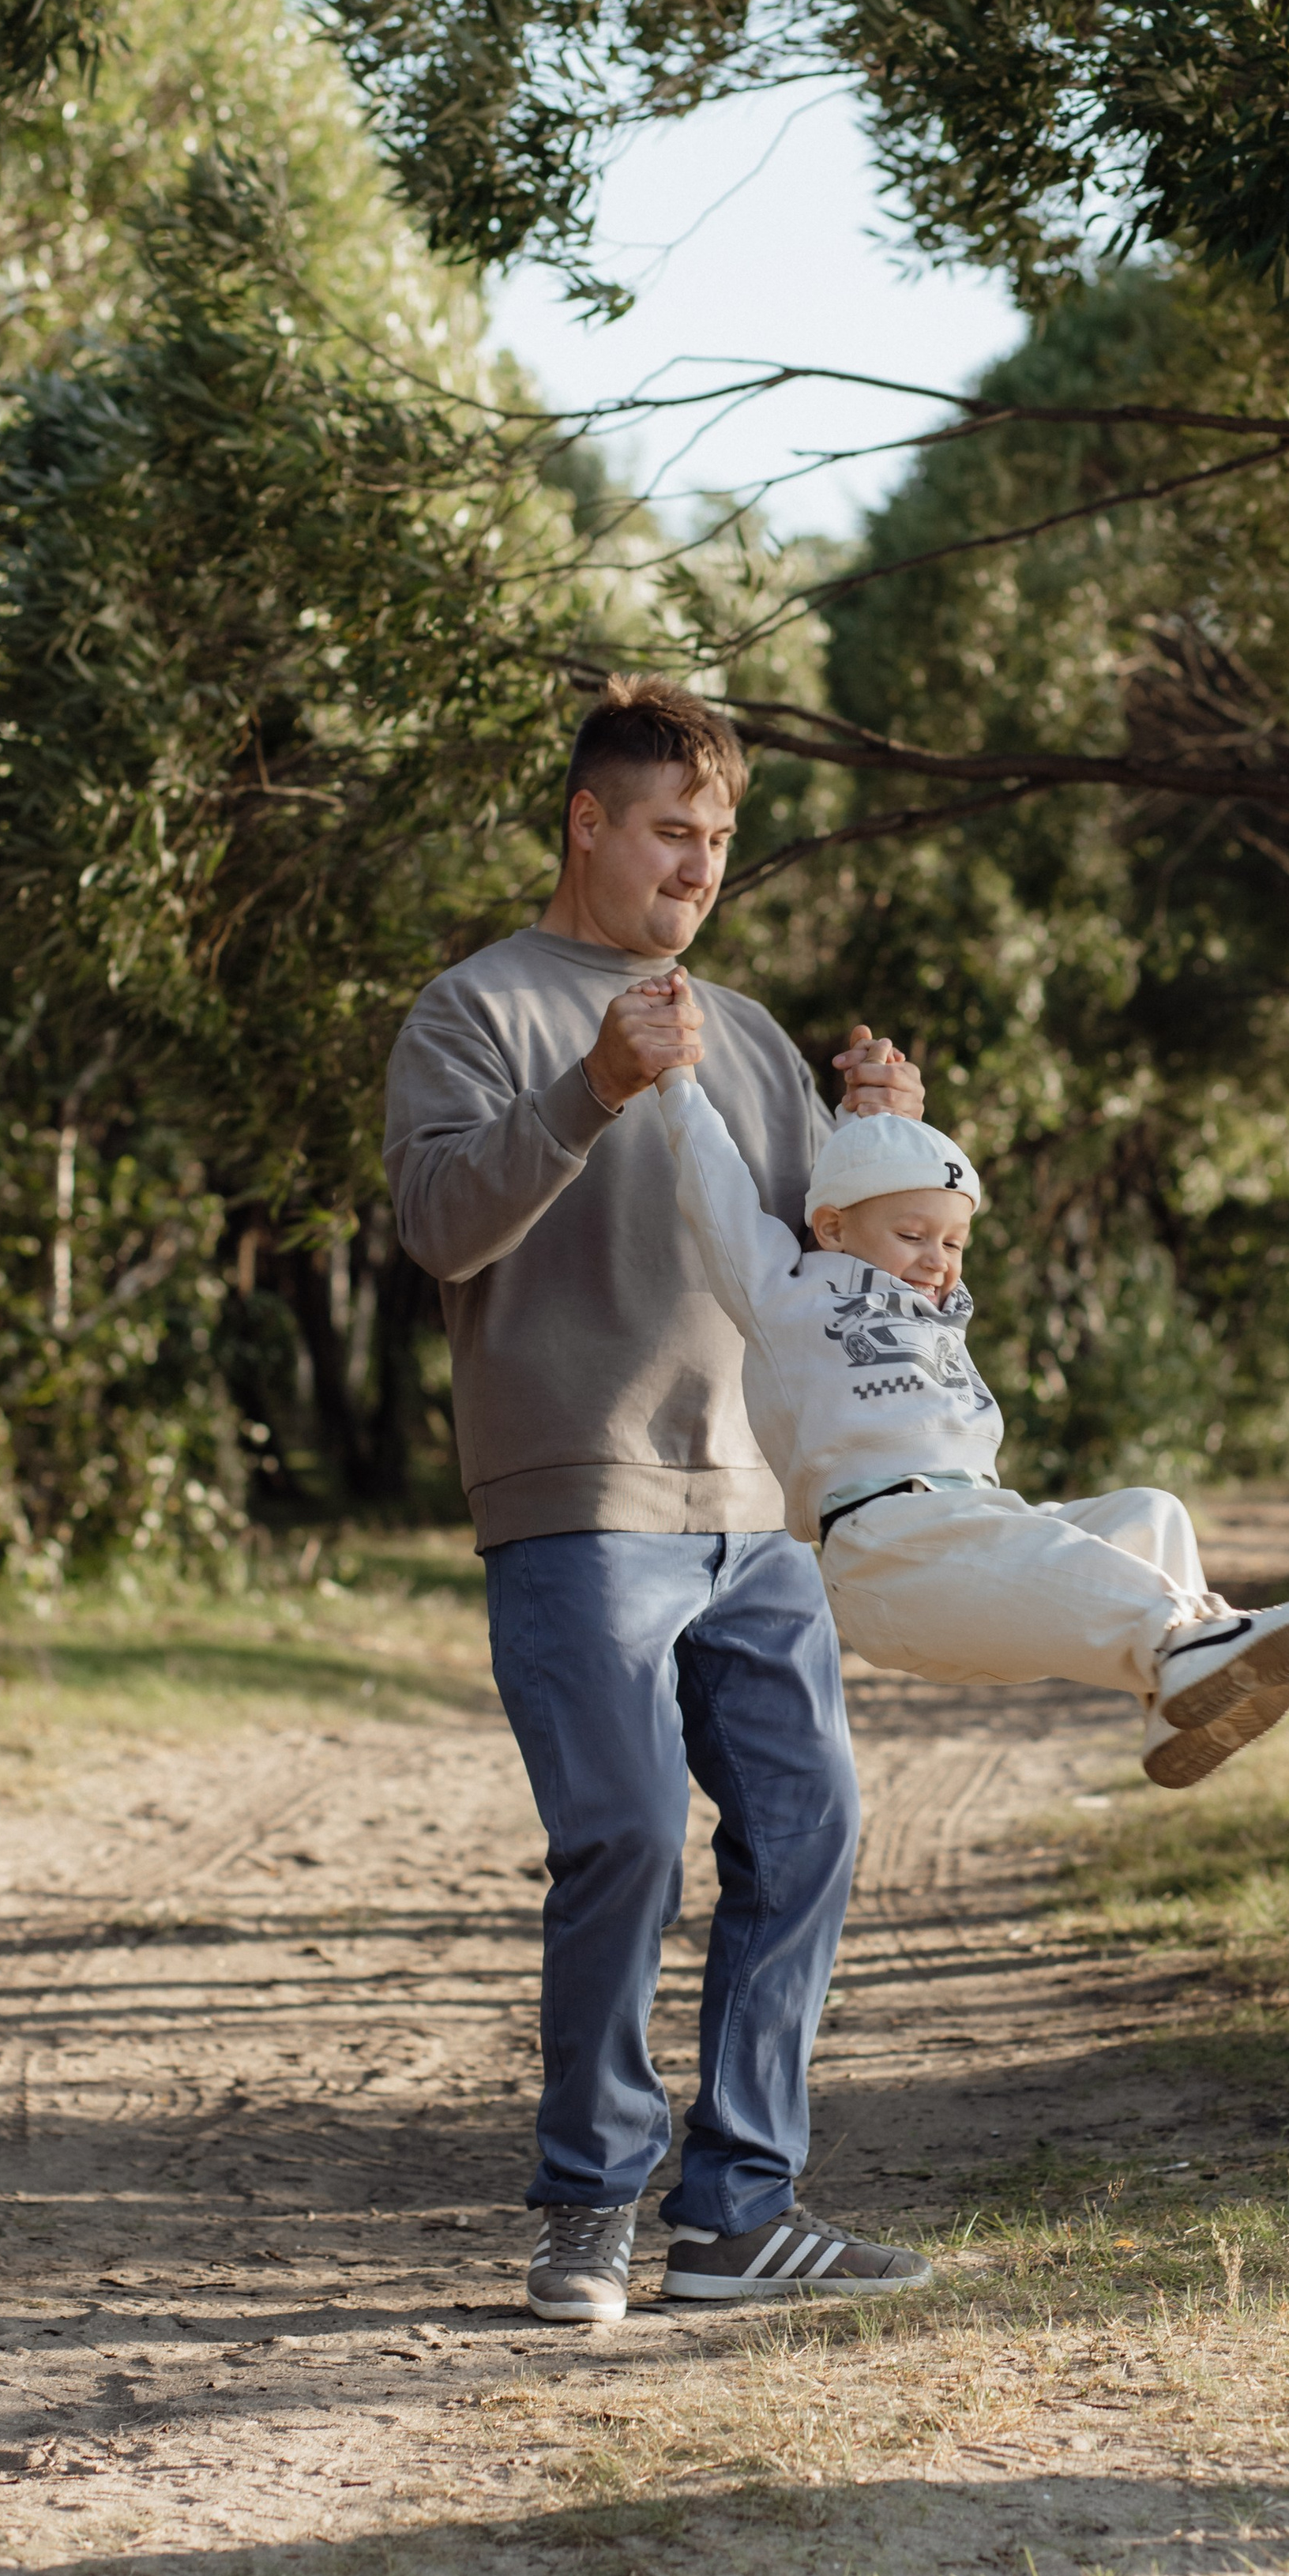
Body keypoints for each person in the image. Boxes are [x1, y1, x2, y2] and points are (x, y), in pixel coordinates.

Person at [384, 676, 936, 2326]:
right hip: (574, 1502)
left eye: (716, 841)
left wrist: (879, 1153)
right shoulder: (476, 1011)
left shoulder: (747, 1035)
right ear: (586, 824)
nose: (696, 868)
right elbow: (438, 1223)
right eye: (670, 834)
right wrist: (594, 1089)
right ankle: (587, 2202)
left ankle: (739, 2210)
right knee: (622, 1836)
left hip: (749, 1513)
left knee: (810, 1824)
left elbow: (811, 1268)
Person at [643, 990, 1289, 1784]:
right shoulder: (786, 1291)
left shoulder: (929, 1306)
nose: (935, 1259)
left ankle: (1171, 1697)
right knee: (1042, 1542)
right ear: (834, 1229)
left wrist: (873, 1119)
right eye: (912, 1237)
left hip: (970, 1527)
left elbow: (877, 1180)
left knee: (1151, 1513)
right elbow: (720, 1200)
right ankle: (1188, 1639)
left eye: (953, 1241)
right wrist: (677, 1081)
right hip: (889, 1555)